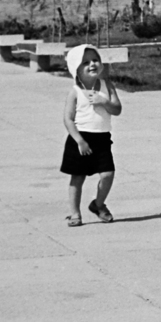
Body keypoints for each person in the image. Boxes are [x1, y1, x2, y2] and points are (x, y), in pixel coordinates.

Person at [60, 44, 122, 226]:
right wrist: (79, 140)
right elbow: (68, 119)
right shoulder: (75, 92)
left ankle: (98, 204)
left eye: (95, 60)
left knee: (108, 174)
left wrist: (104, 101)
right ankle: (74, 214)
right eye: (85, 62)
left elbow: (117, 109)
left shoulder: (107, 86)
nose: (92, 64)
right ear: (76, 68)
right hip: (81, 139)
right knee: (77, 178)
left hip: (102, 138)